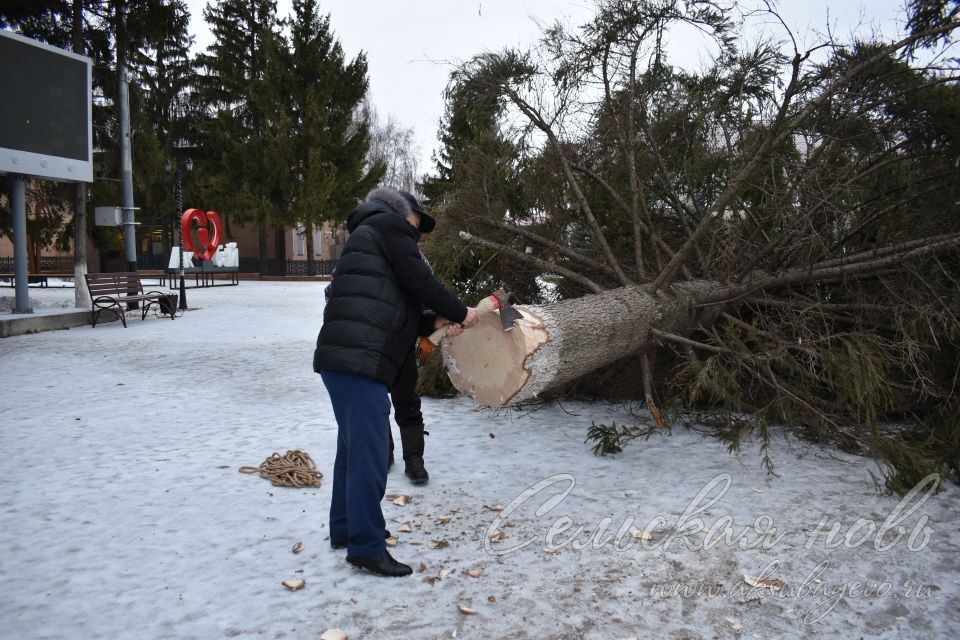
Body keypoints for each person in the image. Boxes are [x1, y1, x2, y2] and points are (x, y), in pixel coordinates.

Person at [314, 186, 480, 577]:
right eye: (418, 225)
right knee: (370, 456)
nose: (419, 234)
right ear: (405, 215)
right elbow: (421, 284)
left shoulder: (368, 237)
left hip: (344, 359)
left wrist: (434, 322)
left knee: (353, 451)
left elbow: (397, 306)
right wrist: (460, 311)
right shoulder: (389, 227)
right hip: (360, 360)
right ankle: (367, 547)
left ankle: (345, 530)